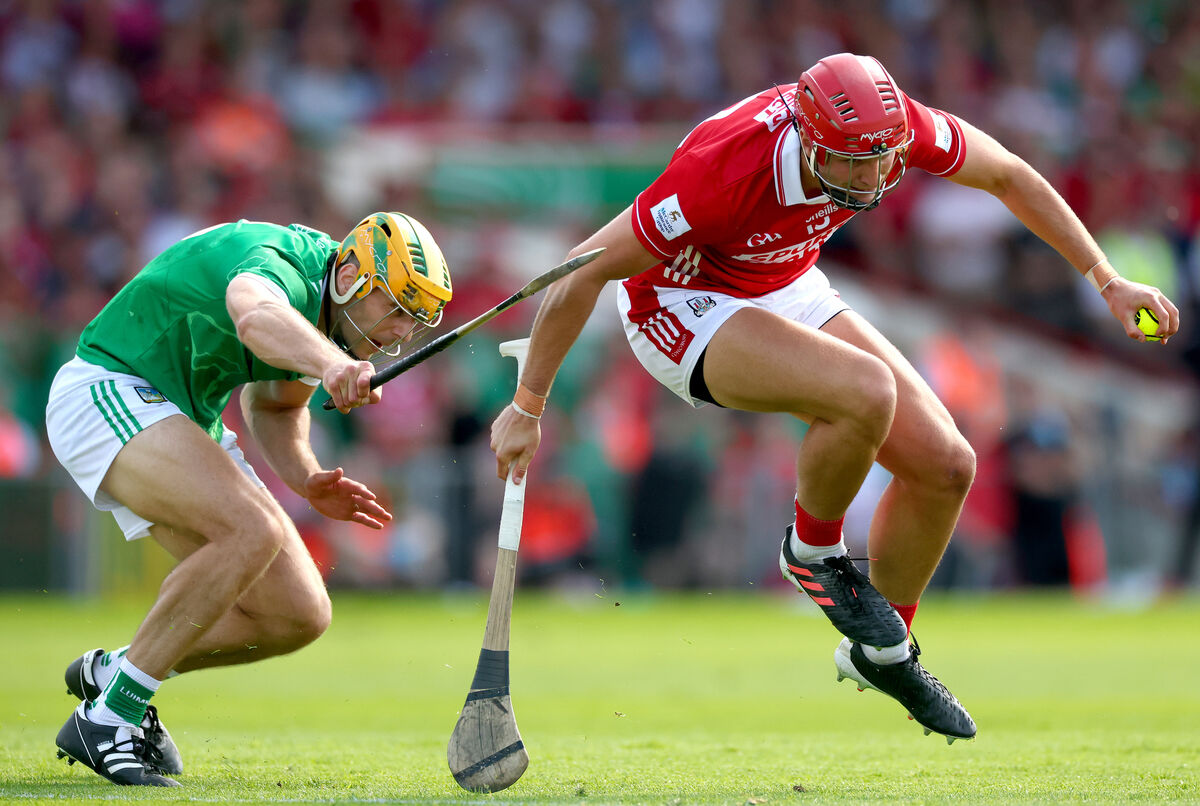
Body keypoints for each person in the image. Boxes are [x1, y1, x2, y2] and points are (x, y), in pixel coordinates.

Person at [490, 53, 1179, 742]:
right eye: (848, 163)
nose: (869, 177)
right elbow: (578, 275)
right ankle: (813, 552)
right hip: (680, 305)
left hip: (784, 282)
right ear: (805, 134)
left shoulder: (892, 129)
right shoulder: (725, 170)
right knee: (865, 391)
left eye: (880, 161)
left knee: (947, 466)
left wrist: (1106, 278)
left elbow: (1007, 174)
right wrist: (528, 407)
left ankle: (883, 649)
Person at [46, 213, 453, 785]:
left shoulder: (326, 322)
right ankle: (111, 716)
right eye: (394, 308)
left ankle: (117, 675)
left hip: (175, 417)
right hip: (108, 386)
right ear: (354, 273)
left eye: (415, 320)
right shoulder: (280, 263)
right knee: (252, 530)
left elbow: (276, 406)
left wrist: (308, 477)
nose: (400, 334)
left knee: (298, 614)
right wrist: (332, 363)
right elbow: (256, 313)